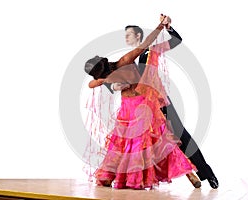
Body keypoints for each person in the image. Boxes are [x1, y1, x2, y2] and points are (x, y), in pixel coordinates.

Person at [84, 15, 198, 189]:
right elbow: (92, 84)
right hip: (127, 110)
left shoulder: (125, 61)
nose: (103, 79)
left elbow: (146, 45)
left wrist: (160, 26)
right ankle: (122, 177)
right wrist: (114, 86)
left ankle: (189, 174)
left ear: (105, 69)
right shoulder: (106, 76)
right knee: (125, 145)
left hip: (142, 106)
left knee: (155, 141)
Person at [112, 20, 219, 189]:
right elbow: (113, 79)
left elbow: (176, 40)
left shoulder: (152, 49)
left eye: (129, 34)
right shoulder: (127, 60)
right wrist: (116, 86)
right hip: (140, 107)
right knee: (146, 144)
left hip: (158, 100)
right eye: (125, 35)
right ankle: (139, 178)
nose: (126, 38)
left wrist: (168, 28)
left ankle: (206, 173)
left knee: (181, 135)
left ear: (138, 36)